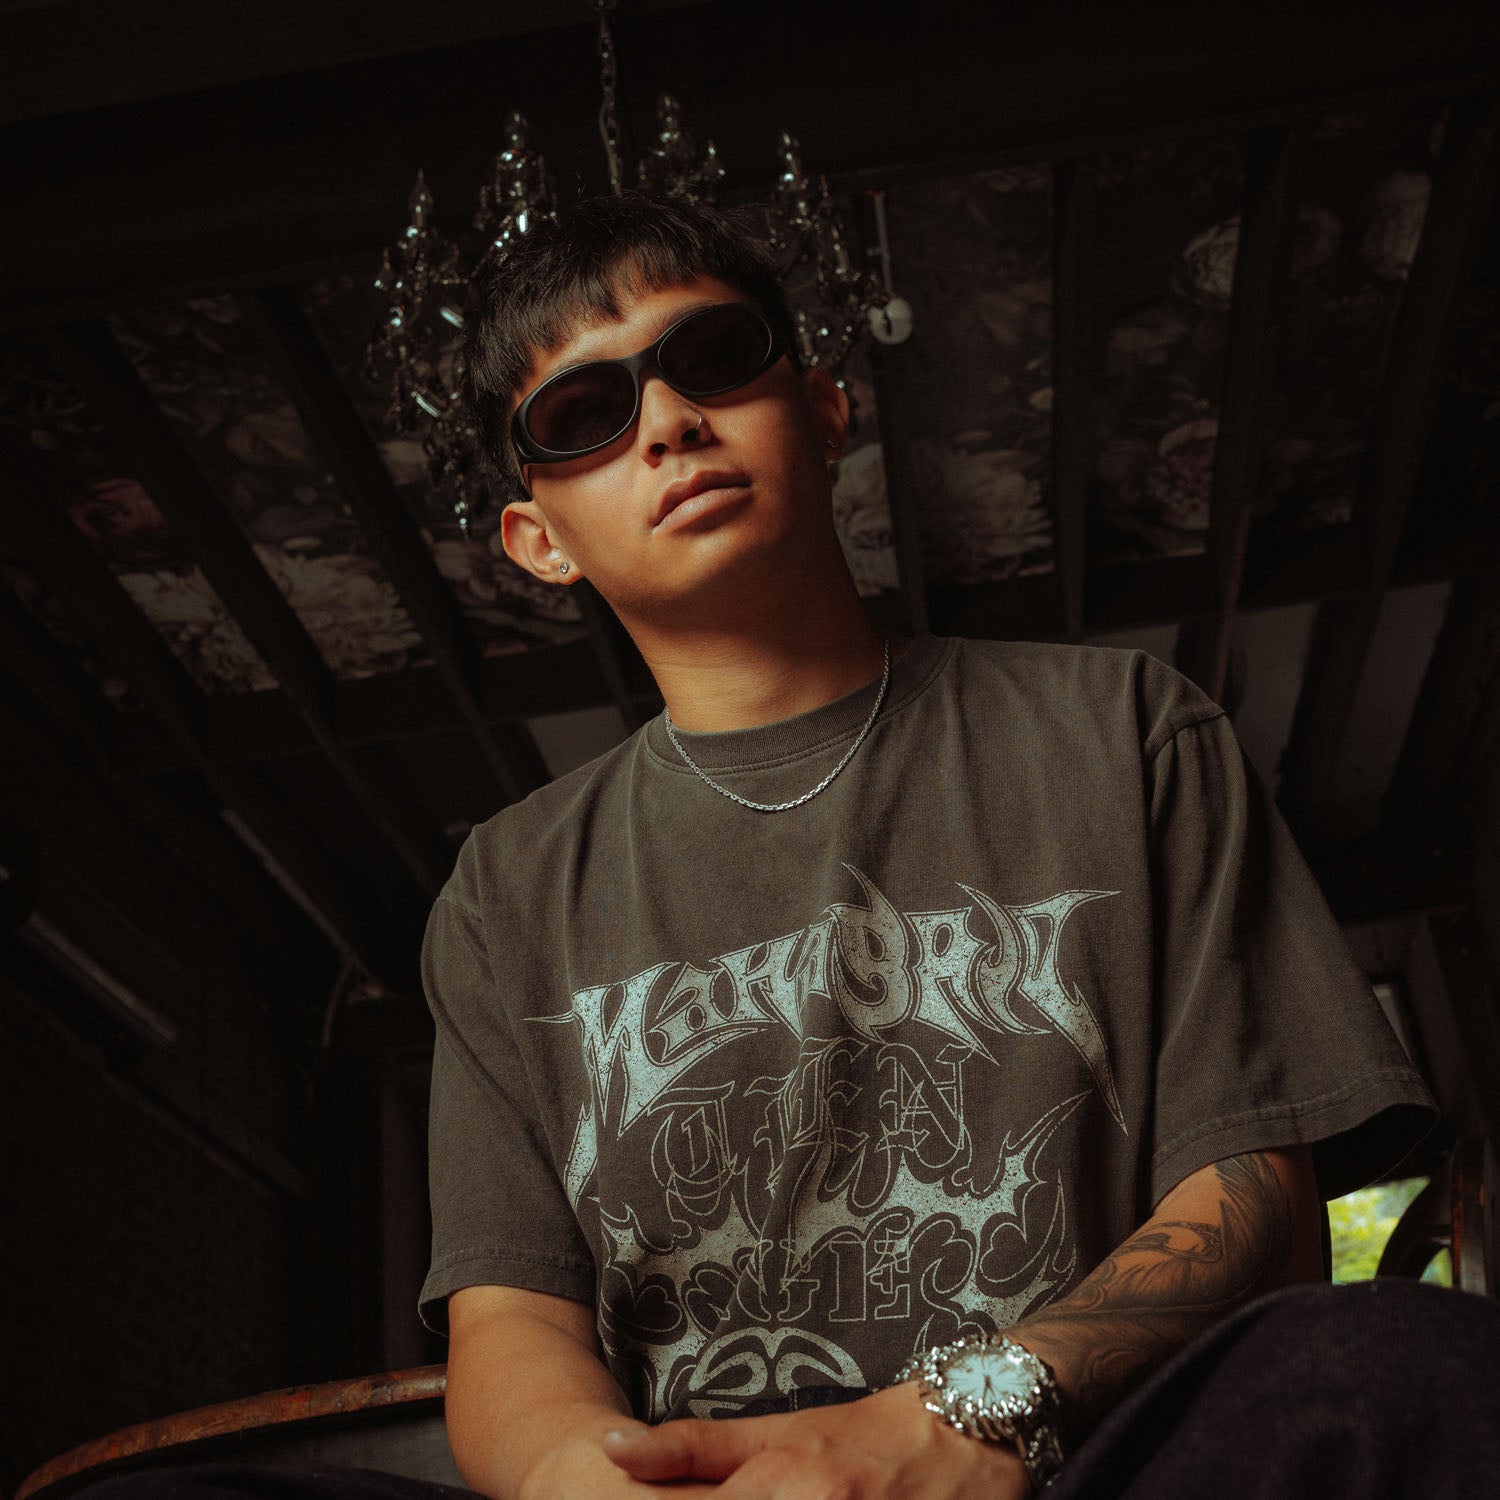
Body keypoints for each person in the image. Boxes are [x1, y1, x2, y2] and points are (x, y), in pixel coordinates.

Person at [413, 190, 1455, 1500]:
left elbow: (1256, 1199)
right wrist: (584, 1480)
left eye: (714, 358)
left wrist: (971, 1420)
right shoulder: (504, 891)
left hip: (1080, 1463)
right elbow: (511, 1320)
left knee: (1415, 1352)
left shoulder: (1125, 732)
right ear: (538, 541)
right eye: (584, 416)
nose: (669, 421)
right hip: (700, 1490)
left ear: (824, 410)